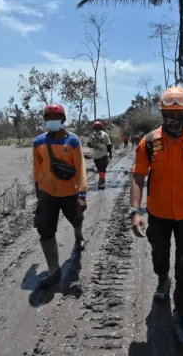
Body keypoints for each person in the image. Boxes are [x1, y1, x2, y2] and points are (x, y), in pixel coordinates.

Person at [128, 86, 183, 352]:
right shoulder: (149, 142)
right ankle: (162, 278)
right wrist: (135, 211)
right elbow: (138, 177)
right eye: (170, 116)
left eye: (180, 116)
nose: (175, 122)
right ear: (163, 114)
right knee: (160, 255)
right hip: (159, 215)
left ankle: (181, 317)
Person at [32, 103, 88, 288]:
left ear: (63, 121)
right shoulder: (38, 142)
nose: (52, 122)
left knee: (76, 219)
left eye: (55, 119)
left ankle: (78, 236)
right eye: (49, 120)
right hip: (48, 193)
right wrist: (38, 191)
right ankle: (54, 270)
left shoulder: (72, 141)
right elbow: (37, 168)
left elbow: (81, 167)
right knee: (45, 230)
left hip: (70, 192)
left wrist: (82, 193)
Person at [87, 121, 112, 190]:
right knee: (99, 169)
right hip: (96, 156)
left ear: (101, 128)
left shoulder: (105, 135)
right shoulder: (91, 135)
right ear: (94, 128)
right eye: (96, 128)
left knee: (102, 168)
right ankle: (102, 178)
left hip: (104, 154)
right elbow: (88, 144)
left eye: (98, 128)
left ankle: (101, 182)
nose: (97, 129)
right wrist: (94, 146)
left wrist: (110, 153)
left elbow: (109, 144)